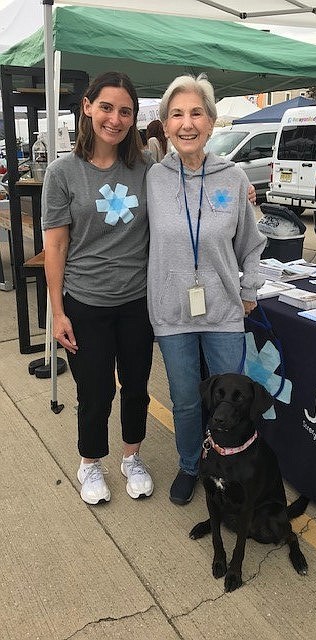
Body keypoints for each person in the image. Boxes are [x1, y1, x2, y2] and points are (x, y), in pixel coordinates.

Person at [146, 74, 266, 505]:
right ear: (164, 125)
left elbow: (251, 244)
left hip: (223, 311)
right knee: (185, 401)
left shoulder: (233, 179)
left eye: (196, 112)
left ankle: (228, 465)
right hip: (171, 312)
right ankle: (190, 465)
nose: (187, 123)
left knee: (232, 401)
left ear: (212, 122)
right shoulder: (153, 178)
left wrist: (250, 288)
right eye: (176, 114)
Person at [42, 72, 155, 505]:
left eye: (125, 111)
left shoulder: (145, 168)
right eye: (107, 107)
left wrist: (241, 192)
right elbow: (55, 245)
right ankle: (90, 463)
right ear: (87, 107)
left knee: (136, 386)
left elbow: (188, 185)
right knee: (94, 392)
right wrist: (57, 312)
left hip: (136, 302)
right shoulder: (62, 172)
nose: (115, 118)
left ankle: (132, 456)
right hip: (85, 302)